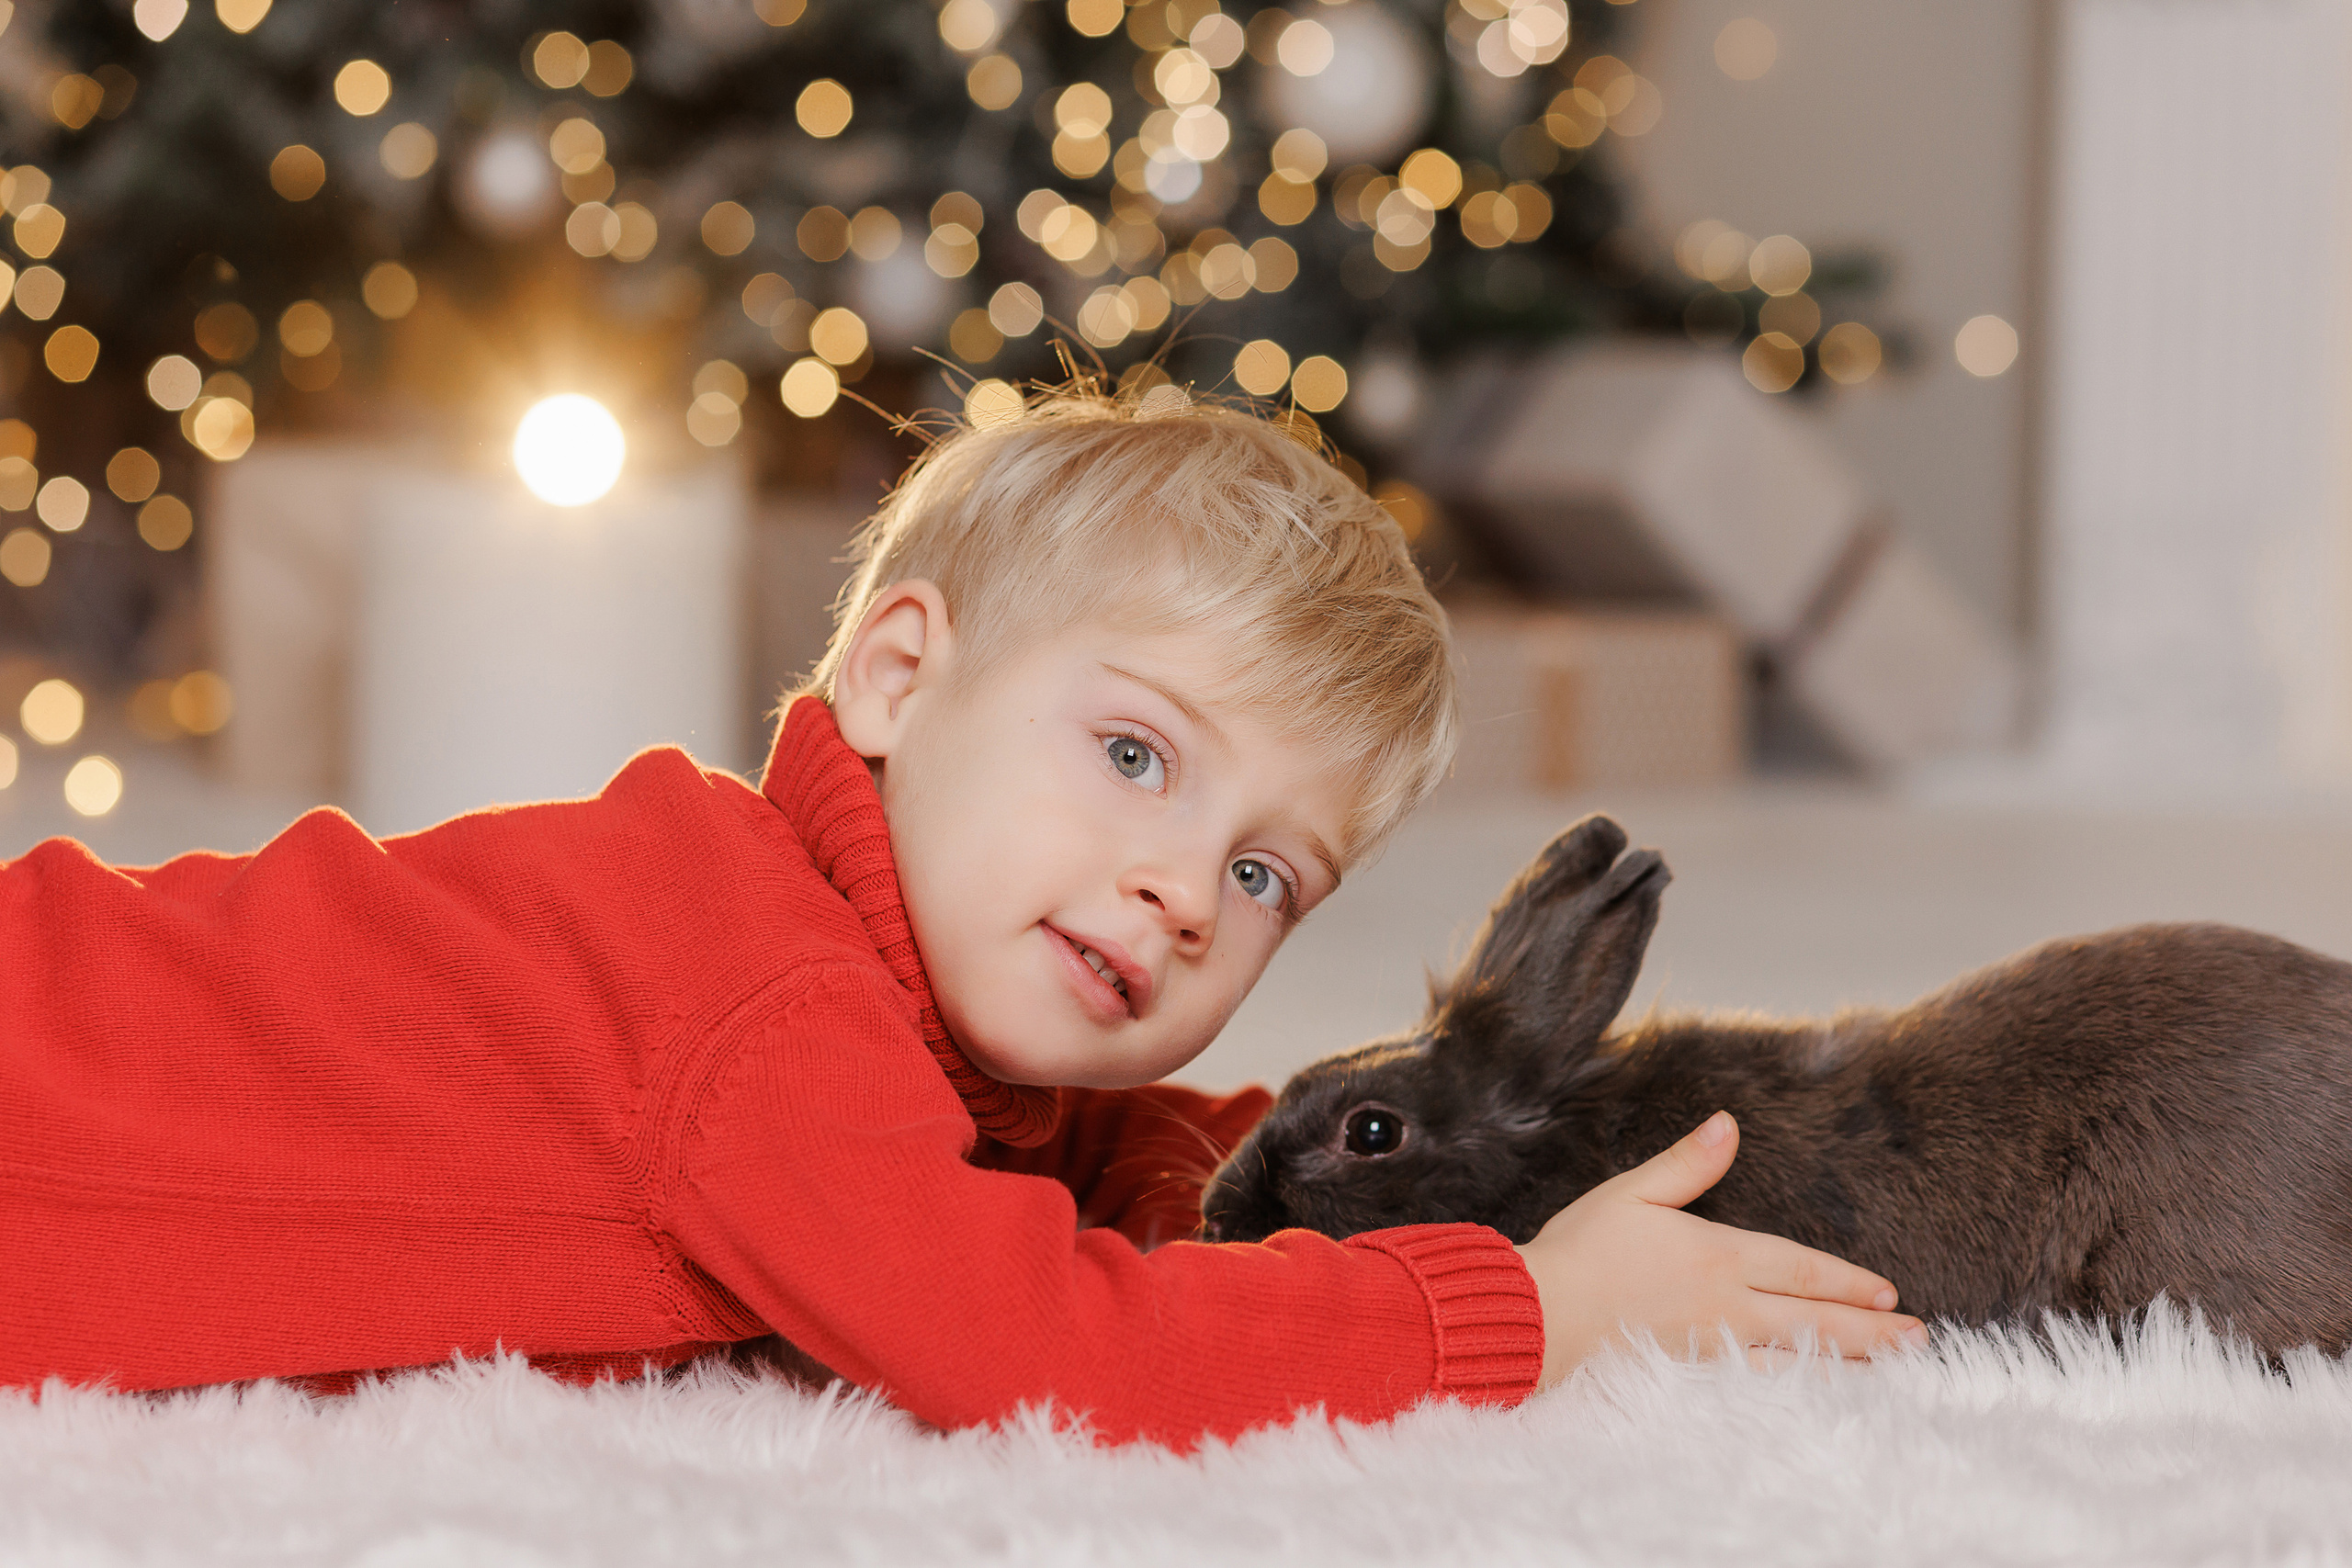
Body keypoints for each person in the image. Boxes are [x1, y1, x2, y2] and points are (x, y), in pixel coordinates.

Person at [0, 384, 1924, 1445]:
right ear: (898, 679)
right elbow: (1048, 1349)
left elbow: (1053, 1156)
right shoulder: (745, 985)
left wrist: (1323, 1175)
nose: (1184, 885)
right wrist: (1512, 1308)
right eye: (1137, 755)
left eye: (1266, 874)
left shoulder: (881, 981)